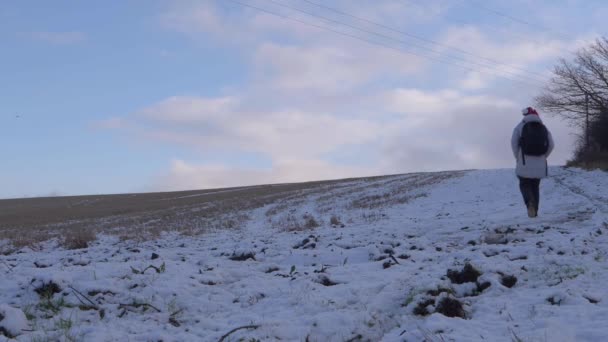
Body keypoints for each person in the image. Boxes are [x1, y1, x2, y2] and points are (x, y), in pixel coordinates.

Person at [511, 107, 555, 218]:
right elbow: (552, 145)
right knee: (535, 186)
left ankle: (529, 203)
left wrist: (518, 157)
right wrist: (544, 156)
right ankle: (535, 211)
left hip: (524, 162)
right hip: (539, 162)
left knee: (524, 183)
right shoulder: (543, 127)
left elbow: (514, 143)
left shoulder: (520, 126)